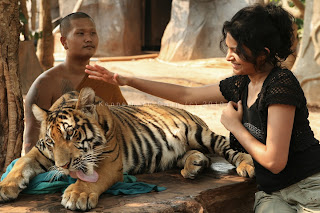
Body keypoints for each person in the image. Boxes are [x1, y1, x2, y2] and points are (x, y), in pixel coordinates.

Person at [85, 3, 320, 212]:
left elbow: (273, 161)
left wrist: (234, 126)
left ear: (262, 53)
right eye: (227, 48)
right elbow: (186, 94)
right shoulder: (242, 83)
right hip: (271, 194)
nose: (228, 57)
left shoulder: (280, 85)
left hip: (307, 188)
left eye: (236, 50)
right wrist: (127, 80)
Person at [24, 12, 127, 154]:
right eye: (80, 33)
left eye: (93, 33)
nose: (88, 39)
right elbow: (32, 141)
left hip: (103, 161)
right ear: (64, 42)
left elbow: (123, 126)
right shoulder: (45, 84)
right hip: (59, 163)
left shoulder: (105, 80)